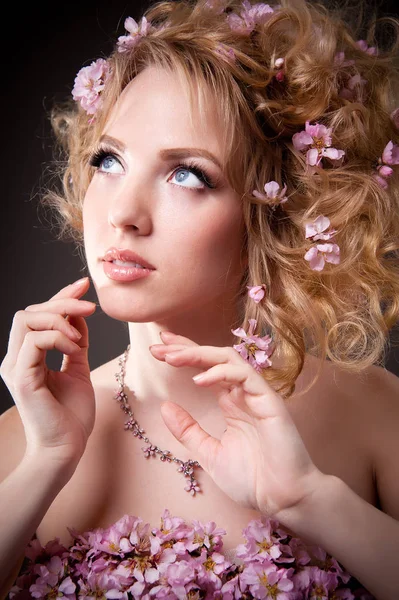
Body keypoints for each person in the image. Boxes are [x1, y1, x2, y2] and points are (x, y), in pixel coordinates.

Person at [1, 0, 399, 597]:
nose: (124, 215)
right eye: (108, 161)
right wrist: (46, 463)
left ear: (273, 217)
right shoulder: (24, 440)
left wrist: (309, 500)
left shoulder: (374, 414)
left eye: (187, 174)